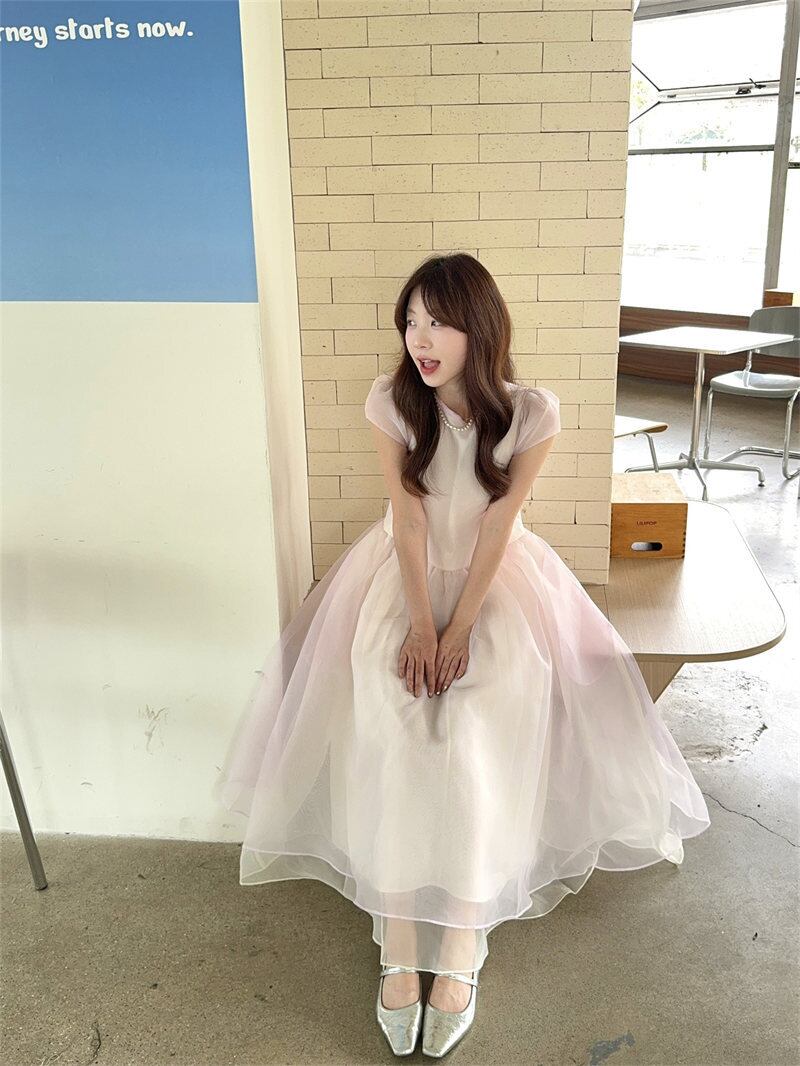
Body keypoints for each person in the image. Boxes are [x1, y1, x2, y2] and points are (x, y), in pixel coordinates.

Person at [215, 252, 711, 1058]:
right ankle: (400, 939)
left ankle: (462, 943)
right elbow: (409, 520)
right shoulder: (392, 402)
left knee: (480, 730)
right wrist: (422, 626)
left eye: (438, 321)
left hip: (497, 585)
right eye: (411, 321)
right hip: (401, 580)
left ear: (479, 326)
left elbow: (499, 523)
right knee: (394, 725)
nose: (420, 339)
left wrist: (462, 628)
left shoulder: (532, 411)